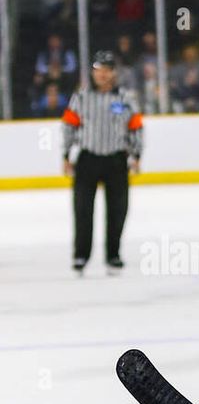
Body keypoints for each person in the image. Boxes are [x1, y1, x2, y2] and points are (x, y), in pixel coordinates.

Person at [62, 50, 143, 276]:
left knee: (117, 211)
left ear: (114, 73)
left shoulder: (125, 99)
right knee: (82, 210)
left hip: (116, 159)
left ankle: (113, 255)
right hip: (88, 158)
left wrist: (136, 155)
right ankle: (80, 255)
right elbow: (69, 126)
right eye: (99, 71)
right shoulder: (81, 98)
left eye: (107, 71)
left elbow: (135, 127)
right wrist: (66, 155)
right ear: (93, 73)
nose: (103, 75)